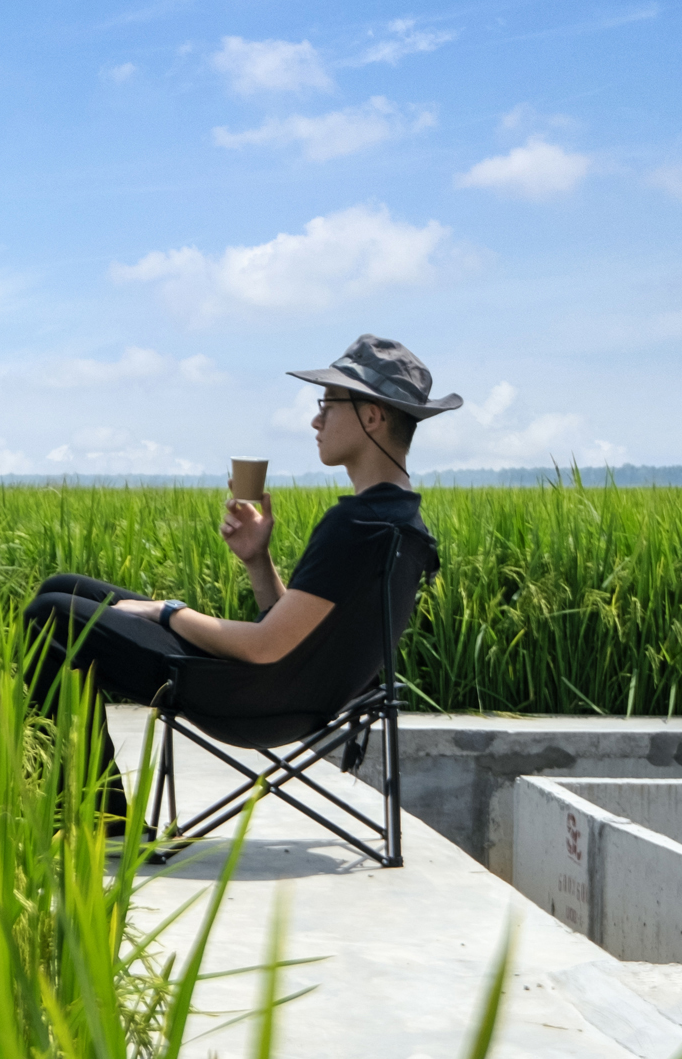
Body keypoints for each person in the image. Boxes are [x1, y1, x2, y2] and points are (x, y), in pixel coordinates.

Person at [23, 334, 460, 828]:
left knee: (50, 617)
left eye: (329, 405)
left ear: (373, 417)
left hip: (255, 696)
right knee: (65, 588)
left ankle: (94, 817)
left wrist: (166, 611)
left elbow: (265, 646)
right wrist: (257, 559)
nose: (316, 420)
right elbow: (296, 632)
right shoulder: (398, 519)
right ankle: (92, 807)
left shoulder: (359, 524)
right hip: (296, 693)